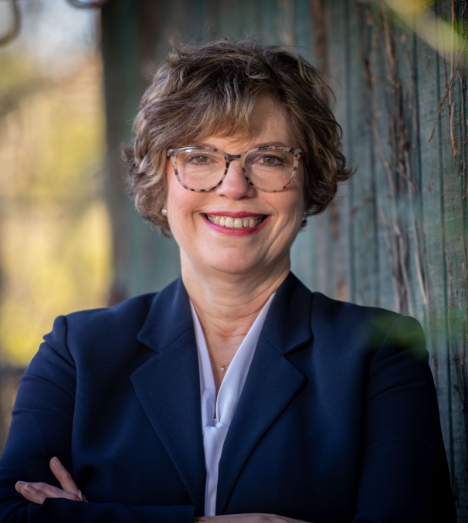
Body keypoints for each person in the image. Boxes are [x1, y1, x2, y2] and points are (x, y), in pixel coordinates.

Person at [0, 39, 455, 523]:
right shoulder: (78, 351)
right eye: (200, 157)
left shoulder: (380, 352)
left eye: (270, 158)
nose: (234, 187)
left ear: (309, 180)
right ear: (160, 180)